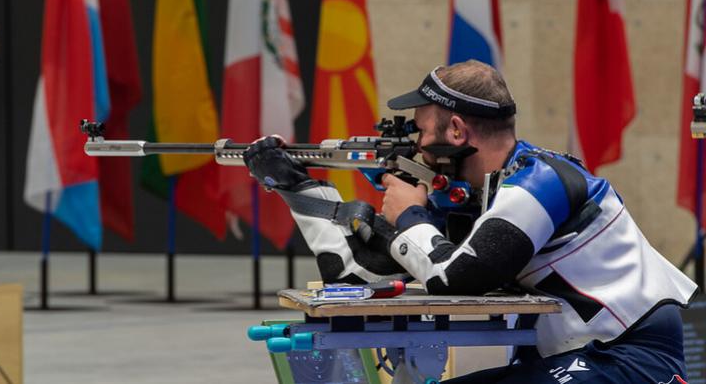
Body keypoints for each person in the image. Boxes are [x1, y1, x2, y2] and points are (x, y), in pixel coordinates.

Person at [243, 60, 697, 383]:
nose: (416, 144)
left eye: (420, 130)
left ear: (457, 132)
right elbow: (358, 274)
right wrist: (297, 187)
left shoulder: (541, 182)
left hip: (631, 361)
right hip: (582, 358)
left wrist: (410, 215)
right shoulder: (479, 199)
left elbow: (453, 278)